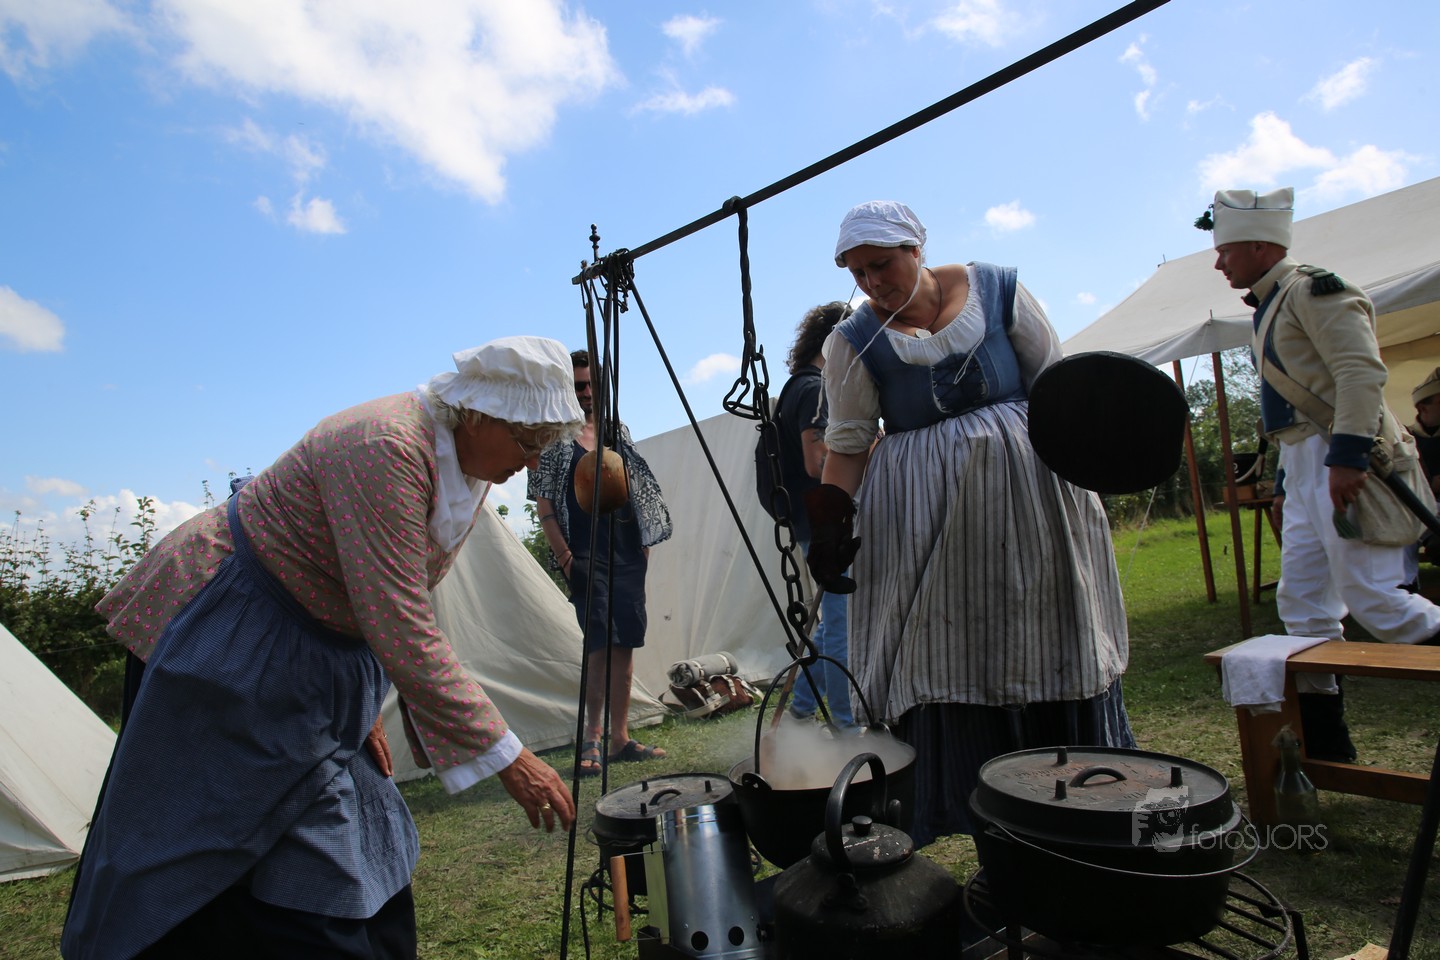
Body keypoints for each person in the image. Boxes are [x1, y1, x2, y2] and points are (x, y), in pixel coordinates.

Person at [62, 337, 585, 960]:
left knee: (358, 833)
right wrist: (508, 755)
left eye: (544, 446)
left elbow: (380, 589)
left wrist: (362, 701)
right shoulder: (384, 446)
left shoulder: (465, 468)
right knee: (193, 832)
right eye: (527, 442)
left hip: (312, 658)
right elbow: (399, 618)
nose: (532, 461)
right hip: (229, 636)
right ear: (477, 413)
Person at [806, 200, 1133, 846]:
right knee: (947, 647)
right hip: (928, 528)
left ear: (916, 249)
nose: (872, 282)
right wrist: (829, 526)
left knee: (1050, 628)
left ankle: (1076, 802)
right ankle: (987, 816)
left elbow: (1056, 385)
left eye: (882, 264)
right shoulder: (853, 341)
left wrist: (1095, 461)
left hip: (1035, 507)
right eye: (858, 272)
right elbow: (847, 444)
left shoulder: (998, 292)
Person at [1203, 187, 1440, 761]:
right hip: (1305, 459)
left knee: (1376, 600)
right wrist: (1288, 485)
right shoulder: (1269, 306)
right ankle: (1329, 749)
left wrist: (1349, 458)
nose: (1219, 263)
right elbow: (1294, 413)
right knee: (1304, 606)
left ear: (1260, 246)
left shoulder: (1314, 290)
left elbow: (1360, 372)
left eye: (1226, 251)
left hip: (1342, 454)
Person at [529, 349, 673, 776]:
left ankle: (620, 738)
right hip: (584, 551)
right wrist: (564, 556)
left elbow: (635, 485)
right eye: (579, 386)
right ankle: (591, 737)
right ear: (566, 390)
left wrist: (643, 548)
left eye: (592, 384)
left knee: (625, 641)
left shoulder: (615, 430)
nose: (587, 392)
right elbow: (544, 503)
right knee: (599, 642)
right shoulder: (554, 437)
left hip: (626, 549)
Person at [771, 301, 857, 728]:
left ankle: (801, 710)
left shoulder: (798, 387)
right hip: (824, 522)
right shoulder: (812, 389)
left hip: (816, 520)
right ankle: (846, 724)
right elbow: (817, 462)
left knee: (833, 623)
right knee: (842, 627)